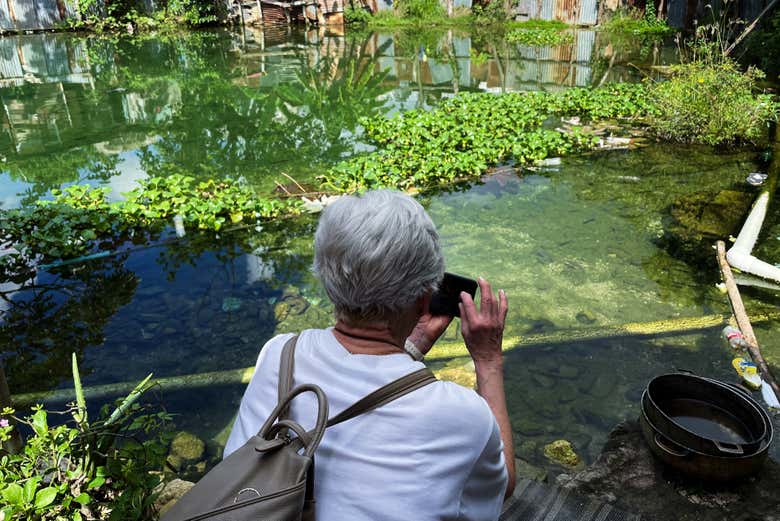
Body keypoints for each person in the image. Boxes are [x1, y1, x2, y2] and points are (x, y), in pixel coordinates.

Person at [224, 189, 515, 520]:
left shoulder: (279, 355)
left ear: (327, 280)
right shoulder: (462, 415)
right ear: (424, 299)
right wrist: (488, 360)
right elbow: (501, 484)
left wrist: (410, 349)